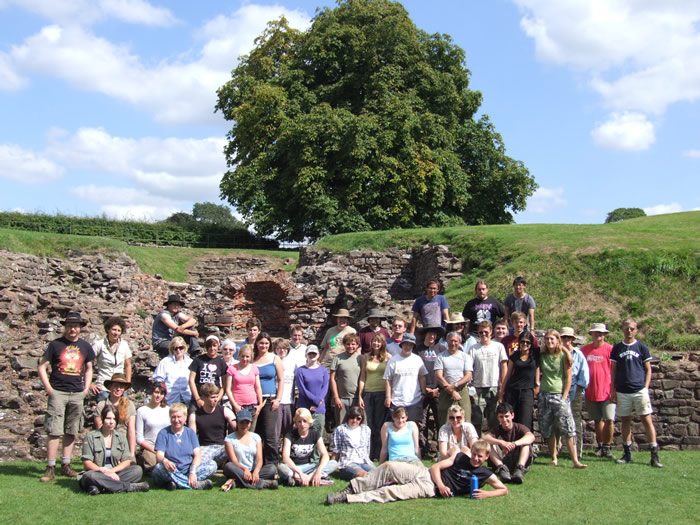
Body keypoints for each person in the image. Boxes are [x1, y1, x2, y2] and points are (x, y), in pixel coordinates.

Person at [325, 439, 507, 505]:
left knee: (391, 492)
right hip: (426, 473)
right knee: (389, 467)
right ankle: (351, 488)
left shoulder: (484, 473)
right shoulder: (460, 457)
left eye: (479, 456)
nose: (475, 458)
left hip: (429, 489)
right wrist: (442, 484)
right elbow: (436, 467)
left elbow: (503, 489)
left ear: (486, 457)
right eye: (474, 454)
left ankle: (348, 499)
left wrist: (486, 495)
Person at [37, 311, 95, 482]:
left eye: (76, 326)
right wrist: (48, 388)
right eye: (70, 326)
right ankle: (50, 466)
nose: (73, 329)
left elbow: (89, 367)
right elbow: (42, 366)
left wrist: (85, 389)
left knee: (71, 429)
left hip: (77, 392)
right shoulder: (55, 345)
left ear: (80, 328)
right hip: (58, 391)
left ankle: (66, 464)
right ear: (65, 327)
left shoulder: (85, 346)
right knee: (54, 429)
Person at [611, 319, 663, 468]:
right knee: (625, 420)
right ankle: (627, 453)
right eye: (626, 328)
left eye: (632, 328)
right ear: (622, 329)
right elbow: (613, 370)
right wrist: (613, 389)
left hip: (639, 389)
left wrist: (645, 387)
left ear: (636, 330)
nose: (629, 331)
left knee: (646, 420)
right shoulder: (617, 348)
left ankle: (654, 454)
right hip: (622, 390)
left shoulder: (641, 347)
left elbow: (648, 369)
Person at [539, 329, 586, 468]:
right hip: (544, 395)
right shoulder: (542, 354)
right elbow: (536, 350)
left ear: (558, 340)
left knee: (568, 427)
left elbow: (569, 378)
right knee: (548, 428)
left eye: (552, 339)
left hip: (559, 395)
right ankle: (554, 458)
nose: (549, 342)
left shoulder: (564, 357)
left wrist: (564, 396)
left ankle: (575, 460)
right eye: (547, 339)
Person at [77, 405, 149, 494]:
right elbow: (87, 462)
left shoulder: (121, 437)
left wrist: (111, 471)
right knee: (90, 476)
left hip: (115, 473)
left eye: (114, 419)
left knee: (137, 470)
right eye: (108, 418)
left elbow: (127, 461)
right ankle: (128, 487)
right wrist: (103, 471)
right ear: (102, 419)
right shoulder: (91, 436)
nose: (111, 422)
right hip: (97, 472)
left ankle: (100, 488)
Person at [152, 403, 216, 490]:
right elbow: (159, 455)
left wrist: (192, 472)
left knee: (212, 465)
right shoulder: (163, 433)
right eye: (173, 417)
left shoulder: (190, 433)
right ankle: (193, 485)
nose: (176, 420)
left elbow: (197, 455)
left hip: (188, 470)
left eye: (179, 417)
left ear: (185, 417)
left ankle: (176, 483)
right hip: (171, 470)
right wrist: (165, 461)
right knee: (159, 468)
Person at [581, 323, 616, 459]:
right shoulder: (585, 350)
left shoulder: (610, 350)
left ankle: (607, 446)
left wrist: (614, 389)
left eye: (601, 333)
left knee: (609, 419)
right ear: (591, 334)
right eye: (596, 333)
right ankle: (601, 445)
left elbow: (615, 370)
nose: (598, 335)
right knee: (597, 420)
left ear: (605, 335)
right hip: (591, 391)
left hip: (607, 391)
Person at [279, 408, 338, 486]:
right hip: (294, 468)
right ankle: (310, 479)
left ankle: (305, 479)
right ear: (296, 423)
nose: (302, 424)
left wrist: (318, 471)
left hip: (310, 466)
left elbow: (325, 455)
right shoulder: (289, 435)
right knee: (280, 467)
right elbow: (285, 458)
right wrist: (299, 473)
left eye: (305, 421)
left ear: (309, 422)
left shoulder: (315, 434)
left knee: (333, 463)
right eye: (299, 422)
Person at [222, 409, 278, 490]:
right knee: (228, 466)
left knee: (272, 468)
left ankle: (238, 483)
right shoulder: (229, 439)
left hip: (253, 470)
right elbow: (233, 461)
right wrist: (245, 469)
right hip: (239, 470)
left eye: (247, 423)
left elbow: (259, 460)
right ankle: (263, 483)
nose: (244, 425)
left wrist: (256, 472)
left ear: (250, 423)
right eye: (242, 422)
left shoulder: (256, 437)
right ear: (237, 422)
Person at [468, 321, 508, 434]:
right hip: (478, 387)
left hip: (494, 386)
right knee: (477, 420)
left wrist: (502, 385)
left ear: (491, 332)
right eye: (481, 332)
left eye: (486, 332)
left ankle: (493, 446)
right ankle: (477, 444)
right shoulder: (473, 348)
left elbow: (504, 366)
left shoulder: (498, 346)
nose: (483, 334)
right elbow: (469, 368)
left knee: (494, 420)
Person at [483, 402, 535, 484]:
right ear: (498, 418)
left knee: (526, 444)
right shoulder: (497, 429)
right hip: (502, 458)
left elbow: (531, 437)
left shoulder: (519, 427)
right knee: (488, 444)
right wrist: (502, 443)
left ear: (512, 415)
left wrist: (513, 444)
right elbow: (485, 438)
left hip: (517, 457)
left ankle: (519, 469)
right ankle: (502, 469)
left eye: (506, 416)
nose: (504, 420)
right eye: (501, 417)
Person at [252, 332, 284, 465]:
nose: (263, 346)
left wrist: (278, 399)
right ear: (257, 344)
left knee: (270, 435)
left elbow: (281, 380)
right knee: (256, 434)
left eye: (266, 343)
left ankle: (272, 464)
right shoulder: (252, 359)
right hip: (253, 400)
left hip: (270, 400)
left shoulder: (274, 358)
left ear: (269, 344)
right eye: (261, 343)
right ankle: (258, 463)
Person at [357, 333, 391, 460]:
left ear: (382, 344)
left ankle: (378, 453)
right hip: (368, 393)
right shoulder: (365, 357)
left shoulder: (388, 357)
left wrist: (389, 395)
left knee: (379, 424)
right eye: (374, 341)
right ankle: (368, 453)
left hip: (382, 392)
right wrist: (360, 395)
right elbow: (363, 377)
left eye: (378, 341)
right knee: (368, 424)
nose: (376, 344)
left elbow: (390, 378)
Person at [188, 383, 236, 468]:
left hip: (222, 447)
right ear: (203, 397)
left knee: (237, 450)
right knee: (199, 463)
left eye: (217, 397)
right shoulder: (194, 415)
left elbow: (237, 429)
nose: (216, 400)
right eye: (212, 397)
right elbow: (192, 438)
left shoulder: (225, 410)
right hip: (205, 447)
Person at [558, 327, 589, 455]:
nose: (566, 340)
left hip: (574, 390)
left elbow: (584, 375)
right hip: (559, 389)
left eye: (568, 338)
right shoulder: (557, 353)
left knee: (575, 419)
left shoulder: (578, 354)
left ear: (572, 339)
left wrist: (579, 389)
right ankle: (557, 449)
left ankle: (577, 450)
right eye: (563, 337)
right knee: (558, 419)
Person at [500, 331, 540, 431]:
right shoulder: (515, 355)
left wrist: (537, 384)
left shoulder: (535, 354)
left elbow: (537, 368)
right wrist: (501, 392)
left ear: (531, 344)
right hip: (512, 390)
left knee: (526, 420)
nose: (525, 344)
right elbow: (508, 374)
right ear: (519, 342)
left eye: (528, 342)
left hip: (527, 391)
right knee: (512, 419)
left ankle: (525, 445)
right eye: (522, 342)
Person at [383, 333, 428, 423]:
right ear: (402, 344)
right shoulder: (393, 360)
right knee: (396, 427)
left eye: (410, 345)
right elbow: (388, 379)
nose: (408, 347)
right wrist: (388, 397)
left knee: (413, 426)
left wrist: (423, 393)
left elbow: (422, 377)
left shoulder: (417, 359)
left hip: (414, 400)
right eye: (406, 344)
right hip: (397, 401)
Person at [434, 331, 473, 427]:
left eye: (455, 341)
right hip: (446, 391)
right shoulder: (440, 357)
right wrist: (451, 391)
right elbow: (439, 376)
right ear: (447, 341)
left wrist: (455, 385)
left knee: (465, 421)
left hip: (462, 391)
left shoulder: (465, 357)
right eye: (451, 341)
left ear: (459, 342)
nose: (453, 343)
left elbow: (468, 376)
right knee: (445, 421)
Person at [90, 316, 132, 402]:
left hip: (120, 387)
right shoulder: (99, 345)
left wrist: (127, 386)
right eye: (114, 329)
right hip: (103, 387)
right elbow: (87, 363)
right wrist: (90, 384)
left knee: (123, 412)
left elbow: (128, 366)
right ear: (108, 330)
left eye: (118, 330)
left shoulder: (124, 345)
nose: (116, 333)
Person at [95, 373, 137, 458]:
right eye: (115, 386)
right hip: (106, 444)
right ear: (110, 387)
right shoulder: (101, 405)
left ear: (124, 389)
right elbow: (99, 429)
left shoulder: (130, 405)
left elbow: (131, 431)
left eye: (121, 387)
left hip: (123, 444)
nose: (118, 389)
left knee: (135, 470)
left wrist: (131, 454)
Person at [331, 407, 375, 480]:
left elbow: (367, 448)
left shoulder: (366, 429)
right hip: (348, 462)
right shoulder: (340, 430)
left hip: (364, 461)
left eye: (358, 419)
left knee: (379, 473)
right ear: (348, 417)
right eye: (352, 417)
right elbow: (336, 450)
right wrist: (331, 467)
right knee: (364, 475)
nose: (355, 421)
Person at [135, 381, 170, 473]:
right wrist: (154, 450)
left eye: (161, 393)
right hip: (150, 447)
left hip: (167, 447)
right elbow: (139, 438)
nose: (158, 396)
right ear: (151, 392)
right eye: (156, 392)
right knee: (154, 468)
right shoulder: (142, 411)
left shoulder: (168, 410)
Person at [330, 333, 362, 428]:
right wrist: (336, 397)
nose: (350, 346)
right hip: (342, 398)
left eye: (353, 344)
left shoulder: (361, 358)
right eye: (348, 344)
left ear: (357, 345)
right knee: (341, 425)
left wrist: (361, 396)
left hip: (356, 399)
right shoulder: (338, 358)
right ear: (344, 345)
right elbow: (332, 378)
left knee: (356, 425)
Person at [295, 345, 329, 435]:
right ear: (306, 355)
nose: (312, 355)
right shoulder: (300, 371)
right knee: (303, 435)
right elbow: (302, 389)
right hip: (304, 407)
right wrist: (315, 401)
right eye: (310, 353)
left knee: (318, 436)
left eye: (314, 353)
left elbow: (325, 387)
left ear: (318, 355)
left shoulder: (324, 371)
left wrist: (318, 402)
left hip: (319, 408)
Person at [188, 335, 226, 413]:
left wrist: (217, 398)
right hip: (199, 397)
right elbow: (191, 380)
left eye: (214, 346)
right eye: (209, 346)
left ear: (218, 346)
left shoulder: (221, 362)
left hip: (214, 398)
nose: (212, 348)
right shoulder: (198, 360)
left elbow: (224, 385)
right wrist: (197, 399)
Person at [223, 344, 262, 420]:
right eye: (242, 356)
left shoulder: (254, 368)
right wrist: (235, 405)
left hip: (252, 405)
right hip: (238, 404)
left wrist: (260, 405)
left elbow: (258, 387)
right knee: (237, 429)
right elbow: (228, 389)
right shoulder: (232, 369)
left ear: (251, 357)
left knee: (250, 431)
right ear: (239, 356)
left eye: (247, 357)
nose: (245, 358)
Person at [153, 337, 193, 406]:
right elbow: (158, 380)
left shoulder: (191, 362)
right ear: (172, 349)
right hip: (170, 400)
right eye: (175, 348)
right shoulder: (165, 362)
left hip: (187, 399)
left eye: (181, 348)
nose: (178, 350)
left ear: (185, 348)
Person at [274, 338, 297, 440]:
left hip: (289, 401)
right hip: (276, 400)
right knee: (275, 431)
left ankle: (285, 453)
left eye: (284, 348)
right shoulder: (272, 362)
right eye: (279, 348)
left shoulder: (293, 363)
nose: (282, 351)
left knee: (288, 430)